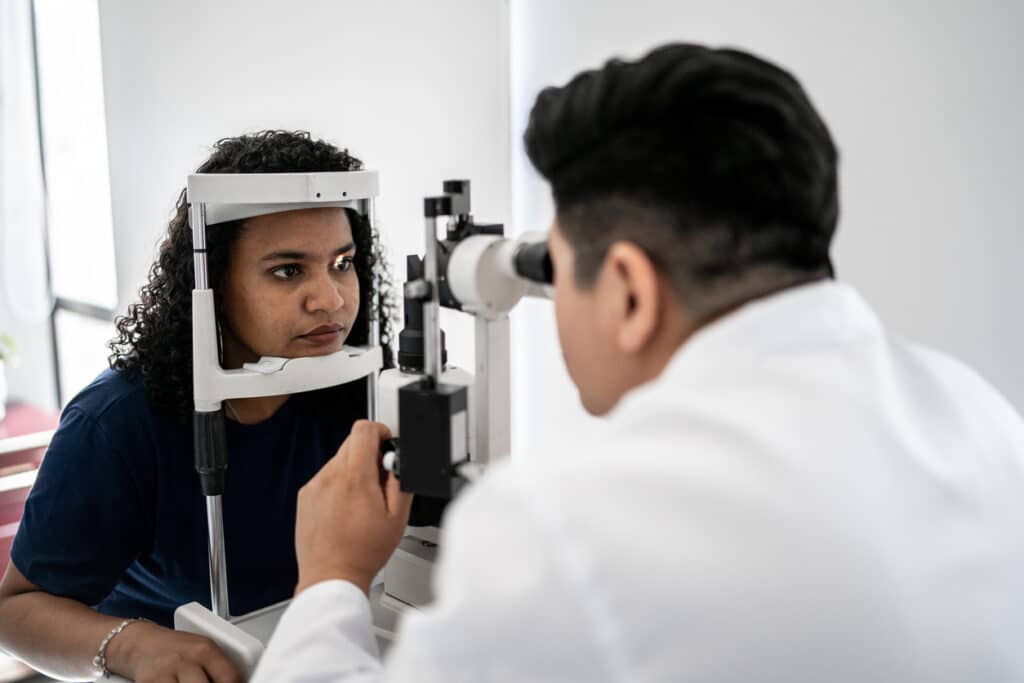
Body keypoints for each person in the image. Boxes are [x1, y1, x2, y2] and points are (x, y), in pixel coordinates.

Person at [253, 44, 1024, 682]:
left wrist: (330, 580)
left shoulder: (572, 530)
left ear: (627, 289)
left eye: (557, 268)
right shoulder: (985, 419)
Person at [0, 130, 395, 681]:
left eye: (342, 263)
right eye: (288, 270)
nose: (330, 299)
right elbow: (14, 612)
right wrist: (134, 646)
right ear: (210, 282)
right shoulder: (114, 424)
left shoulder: (359, 387)